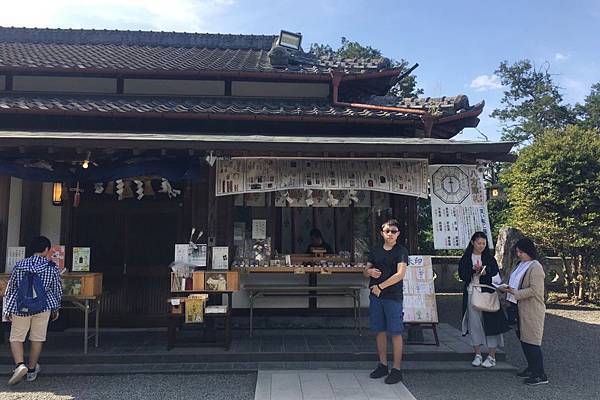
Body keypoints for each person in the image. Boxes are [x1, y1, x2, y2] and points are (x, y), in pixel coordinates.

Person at [3, 236, 62, 385]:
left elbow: (12, 288)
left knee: (16, 337)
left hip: (21, 306)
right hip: (43, 306)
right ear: (47, 250)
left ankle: (19, 365)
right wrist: (56, 307)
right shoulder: (51, 267)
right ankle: (31, 369)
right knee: (37, 338)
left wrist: (7, 309)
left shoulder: (20, 264)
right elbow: (56, 289)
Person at [498, 238, 548, 385]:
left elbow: (535, 290)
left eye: (521, 252)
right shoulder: (521, 264)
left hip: (531, 309)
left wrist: (515, 292)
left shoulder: (535, 267)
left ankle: (540, 374)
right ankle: (532, 368)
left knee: (532, 341)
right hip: (518, 307)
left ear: (528, 251)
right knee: (524, 339)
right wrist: (507, 289)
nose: (519, 254)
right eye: (518, 252)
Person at [364, 219, 407, 384]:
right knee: (379, 331)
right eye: (387, 231)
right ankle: (382, 365)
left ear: (398, 233)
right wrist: (369, 272)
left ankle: (396, 369)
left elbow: (400, 274)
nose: (390, 234)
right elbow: (365, 271)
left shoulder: (401, 251)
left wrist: (380, 286)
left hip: (393, 297)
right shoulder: (375, 250)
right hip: (376, 297)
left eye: (394, 231)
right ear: (382, 233)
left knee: (395, 332)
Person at [458, 231, 509, 368]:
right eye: (479, 243)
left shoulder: (489, 258)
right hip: (471, 292)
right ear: (473, 243)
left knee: (491, 323)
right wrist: (472, 271)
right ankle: (478, 354)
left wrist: (485, 272)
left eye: (483, 244)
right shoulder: (466, 258)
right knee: (474, 324)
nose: (481, 246)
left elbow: (496, 276)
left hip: (487, 293)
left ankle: (492, 356)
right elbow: (462, 275)